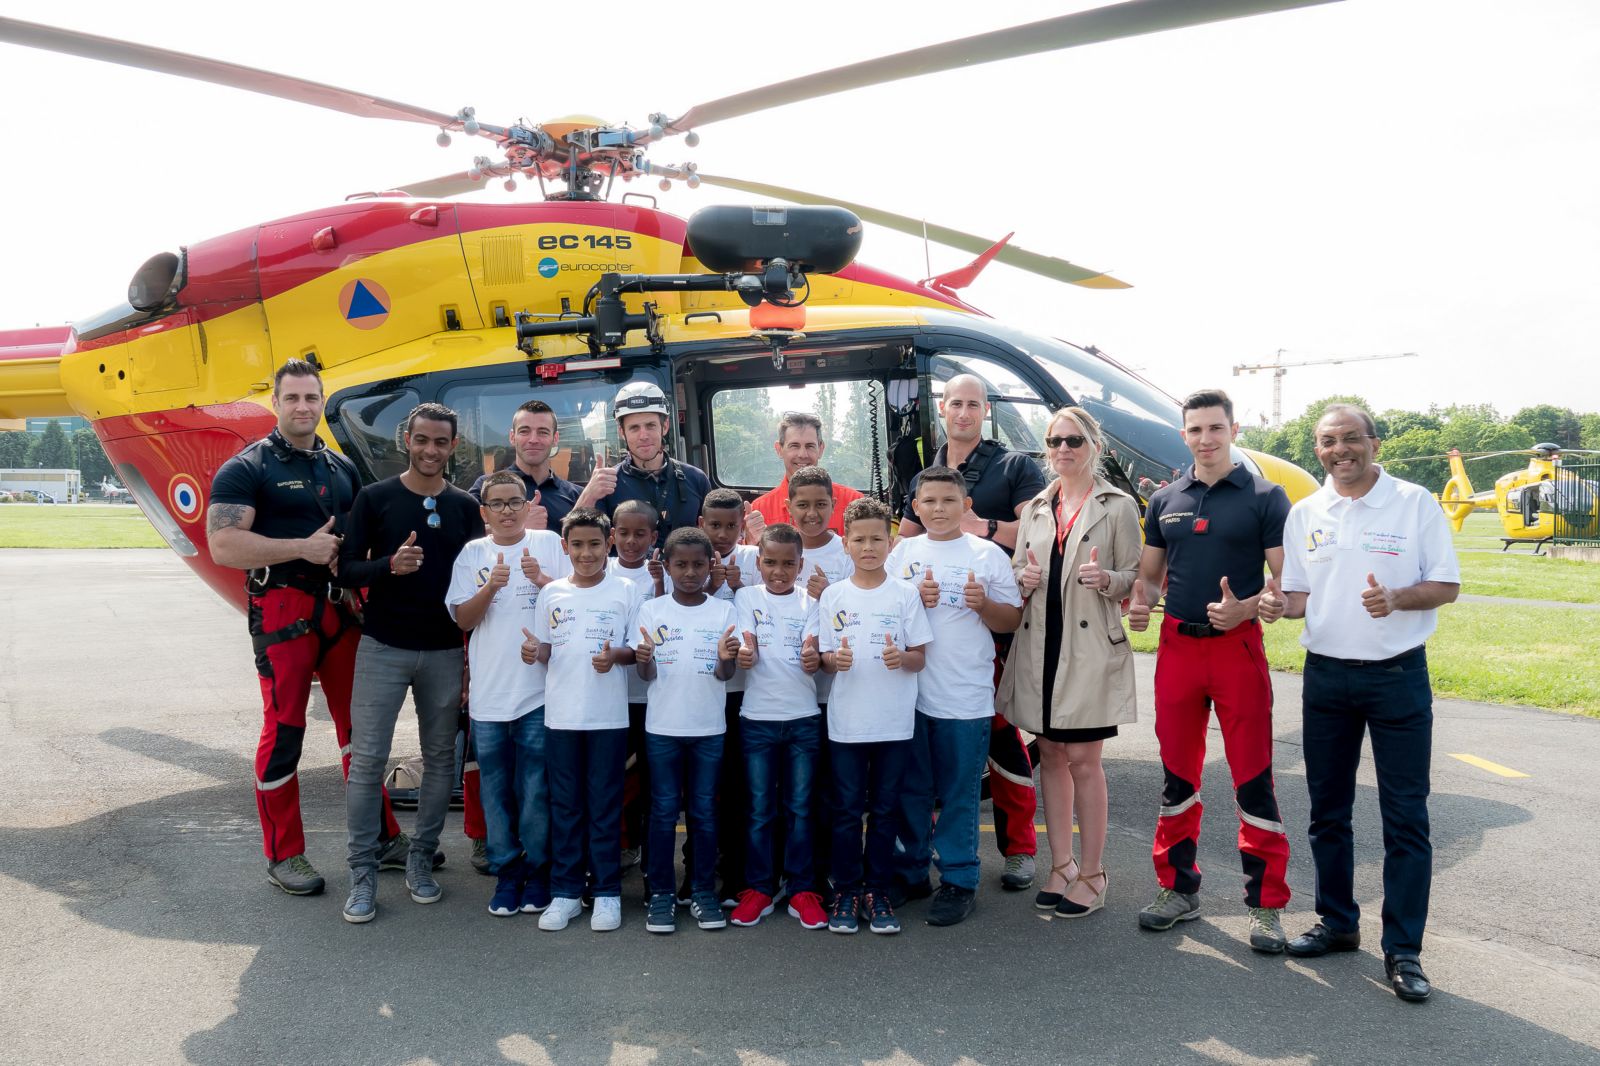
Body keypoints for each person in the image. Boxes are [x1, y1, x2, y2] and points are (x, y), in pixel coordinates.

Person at [1262, 403, 1460, 1003]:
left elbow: (1446, 585)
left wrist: (1397, 598)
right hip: (1326, 677)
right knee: (1328, 810)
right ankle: (1338, 922)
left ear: (1374, 443)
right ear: (1317, 449)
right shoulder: (1306, 512)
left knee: (1406, 818)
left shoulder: (1414, 502)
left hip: (1396, 676)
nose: (1340, 450)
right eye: (1328, 441)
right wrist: (1275, 606)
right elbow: (1298, 595)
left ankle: (1403, 951)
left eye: (1351, 439)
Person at [206, 358, 407, 896]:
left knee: (360, 732)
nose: (302, 407)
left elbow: (361, 535)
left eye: (311, 399)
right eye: (292, 398)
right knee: (286, 728)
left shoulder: (341, 468)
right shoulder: (247, 468)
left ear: (322, 402)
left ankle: (383, 837)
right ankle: (284, 853)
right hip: (282, 608)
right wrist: (303, 548)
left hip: (340, 610)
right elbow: (223, 545)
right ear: (276, 402)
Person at [1127, 389, 1292, 953]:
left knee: (1252, 777)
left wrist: (1249, 607)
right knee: (1178, 773)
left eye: (1215, 428)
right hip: (1178, 648)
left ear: (1234, 430)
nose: (1205, 438)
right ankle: (1177, 890)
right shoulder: (1165, 498)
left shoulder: (1266, 497)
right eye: (1195, 430)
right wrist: (1143, 601)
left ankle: (1266, 907)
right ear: (1184, 436)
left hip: (1236, 648)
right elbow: (1150, 576)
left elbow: (1284, 583)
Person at [897, 373, 1047, 890]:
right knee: (923, 774)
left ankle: (1019, 849)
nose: (963, 412)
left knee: (1003, 745)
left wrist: (977, 526)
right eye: (955, 403)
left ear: (987, 409)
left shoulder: (1014, 465)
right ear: (942, 408)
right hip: (927, 642)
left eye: (973, 404)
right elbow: (906, 542)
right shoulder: (925, 469)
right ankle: (918, 866)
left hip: (991, 627)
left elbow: (1036, 533)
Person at [337, 402, 481, 923]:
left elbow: (473, 582)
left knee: (441, 757)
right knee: (369, 761)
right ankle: (363, 870)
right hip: (383, 646)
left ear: (452, 447)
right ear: (406, 440)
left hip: (443, 650)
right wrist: (388, 566)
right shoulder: (375, 499)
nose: (430, 450)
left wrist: (470, 659)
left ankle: (421, 858)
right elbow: (348, 570)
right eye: (422, 440)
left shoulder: (465, 507)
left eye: (441, 442)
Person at [997, 408, 1141, 920]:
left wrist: (1110, 582)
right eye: (1055, 440)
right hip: (1041, 645)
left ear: (1094, 445)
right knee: (1052, 756)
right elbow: (1018, 568)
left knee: (1084, 760)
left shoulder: (1118, 506)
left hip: (1088, 648)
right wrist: (1022, 580)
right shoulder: (1037, 505)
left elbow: (1135, 577)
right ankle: (1061, 865)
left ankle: (1095, 874)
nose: (1063, 449)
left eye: (1073, 440)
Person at [887, 468, 1024, 926]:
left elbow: (1011, 621)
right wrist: (911, 599)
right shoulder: (902, 552)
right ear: (916, 507)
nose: (939, 509)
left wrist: (983, 604)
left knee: (959, 794)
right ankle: (910, 872)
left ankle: (959, 878)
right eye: (929, 501)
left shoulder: (986, 554)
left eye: (949, 501)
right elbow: (882, 616)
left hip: (964, 696)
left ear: (967, 507)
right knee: (912, 790)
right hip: (909, 696)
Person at [445, 471, 569, 918]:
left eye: (514, 502)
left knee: (535, 790)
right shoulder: (472, 554)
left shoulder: (550, 544)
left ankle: (538, 872)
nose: (507, 511)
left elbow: (575, 605)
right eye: (496, 503)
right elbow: (462, 620)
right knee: (495, 792)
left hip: (538, 694)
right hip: (489, 698)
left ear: (527, 504)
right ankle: (507, 873)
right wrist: (490, 587)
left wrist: (541, 583)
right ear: (484, 512)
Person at [524, 507, 644, 933]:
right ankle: (566, 892)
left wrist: (616, 656)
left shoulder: (626, 590)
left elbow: (635, 649)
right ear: (565, 547)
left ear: (608, 544)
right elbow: (545, 650)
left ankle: (607, 892)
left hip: (608, 719)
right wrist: (534, 652)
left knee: (605, 806)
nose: (587, 553)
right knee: (566, 805)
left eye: (595, 544)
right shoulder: (552, 592)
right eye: (577, 545)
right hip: (561, 718)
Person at [818, 497, 934, 935]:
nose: (868, 547)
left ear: (890, 542)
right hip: (847, 724)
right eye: (859, 539)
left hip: (893, 723)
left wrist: (900, 657)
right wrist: (833, 661)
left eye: (876, 539)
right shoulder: (833, 595)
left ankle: (878, 889)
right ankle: (846, 889)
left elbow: (920, 657)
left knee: (885, 810)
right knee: (847, 810)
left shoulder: (904, 595)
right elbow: (825, 658)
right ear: (845, 544)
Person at [634, 527, 741, 934]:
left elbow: (725, 673)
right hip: (662, 728)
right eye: (681, 564)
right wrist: (644, 659)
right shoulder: (652, 610)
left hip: (709, 728)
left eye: (699, 564)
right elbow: (646, 674)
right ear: (668, 565)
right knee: (662, 812)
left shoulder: (723, 612)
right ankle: (661, 893)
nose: (691, 572)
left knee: (703, 812)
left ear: (711, 564)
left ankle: (701, 891)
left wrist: (724, 658)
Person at [729, 522, 828, 930]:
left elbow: (814, 648)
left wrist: (814, 659)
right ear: (758, 561)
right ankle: (759, 889)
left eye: (788, 564)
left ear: (801, 565)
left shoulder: (812, 603)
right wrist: (745, 654)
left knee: (802, 808)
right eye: (770, 562)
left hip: (803, 720)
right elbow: (745, 637)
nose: (779, 571)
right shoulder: (746, 597)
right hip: (757, 721)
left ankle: (803, 888)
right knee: (758, 810)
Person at [698, 488, 761, 902]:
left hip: (742, 695)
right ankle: (703, 867)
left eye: (731, 526)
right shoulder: (690, 560)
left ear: (744, 525)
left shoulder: (755, 561)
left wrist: (736, 589)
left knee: (739, 788)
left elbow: (763, 615)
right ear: (701, 523)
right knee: (706, 791)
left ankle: (738, 871)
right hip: (702, 694)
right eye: (714, 525)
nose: (722, 534)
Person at [578, 381, 710, 547]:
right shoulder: (608, 483)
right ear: (621, 432)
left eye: (650, 425)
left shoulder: (696, 479)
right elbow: (576, 540)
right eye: (634, 428)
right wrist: (588, 495)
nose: (643, 435)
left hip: (684, 572)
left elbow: (712, 537)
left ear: (665, 426)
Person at [609, 499, 663, 866]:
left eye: (640, 534)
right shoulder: (600, 569)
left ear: (653, 536)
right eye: (623, 533)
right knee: (616, 776)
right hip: (611, 695)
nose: (631, 541)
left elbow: (667, 620)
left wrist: (660, 584)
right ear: (611, 536)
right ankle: (619, 845)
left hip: (651, 696)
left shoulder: (665, 574)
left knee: (649, 780)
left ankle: (645, 852)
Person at [744, 411, 864, 542]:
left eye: (810, 446)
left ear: (821, 449)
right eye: (794, 446)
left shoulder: (854, 503)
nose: (802, 454)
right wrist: (752, 545)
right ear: (779, 449)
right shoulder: (760, 510)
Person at [467, 398, 581, 530]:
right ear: (512, 437)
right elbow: (461, 536)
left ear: (555, 439)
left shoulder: (577, 495)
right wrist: (518, 526)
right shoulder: (485, 486)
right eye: (524, 431)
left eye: (543, 432)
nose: (533, 440)